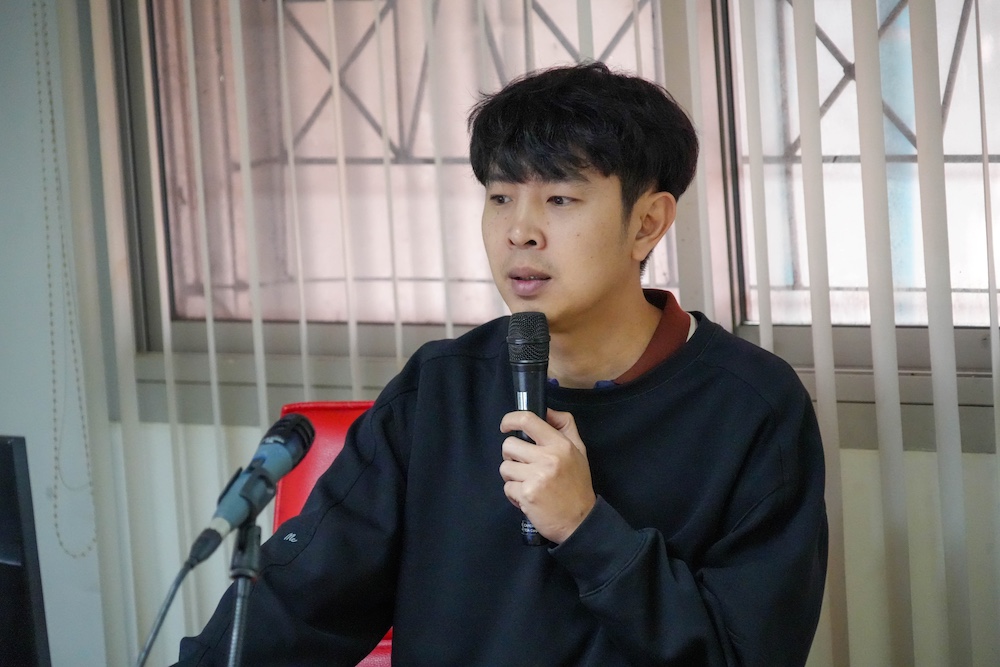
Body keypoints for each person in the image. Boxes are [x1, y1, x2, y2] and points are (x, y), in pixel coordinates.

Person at [178, 61, 827, 666]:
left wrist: (585, 527)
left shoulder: (752, 406)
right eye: (500, 197)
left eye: (560, 199)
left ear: (647, 223)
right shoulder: (441, 387)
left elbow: (745, 653)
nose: (520, 231)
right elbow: (302, 601)